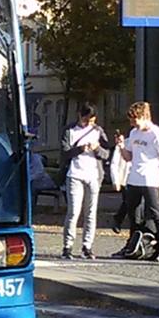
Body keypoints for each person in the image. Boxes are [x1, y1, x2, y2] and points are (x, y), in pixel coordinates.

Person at [113, 101, 159, 262]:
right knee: (134, 215)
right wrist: (121, 147)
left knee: (156, 214)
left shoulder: (156, 134)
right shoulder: (134, 133)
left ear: (144, 116)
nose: (132, 124)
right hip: (134, 179)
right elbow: (129, 157)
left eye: (135, 120)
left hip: (151, 180)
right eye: (131, 121)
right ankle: (134, 245)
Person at [61, 104, 107, 258]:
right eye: (85, 120)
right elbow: (65, 153)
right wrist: (80, 149)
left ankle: (87, 247)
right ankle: (67, 247)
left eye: (92, 121)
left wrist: (97, 149)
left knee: (91, 213)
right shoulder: (70, 130)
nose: (88, 124)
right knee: (73, 212)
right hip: (75, 174)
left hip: (93, 175)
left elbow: (106, 153)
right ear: (79, 115)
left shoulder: (98, 131)